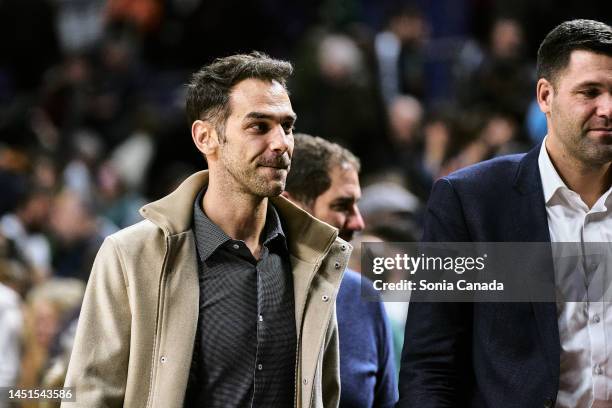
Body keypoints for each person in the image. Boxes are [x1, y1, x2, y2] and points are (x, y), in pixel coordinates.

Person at [63, 52, 352, 408]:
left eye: (287, 127)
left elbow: (325, 392)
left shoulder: (316, 256)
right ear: (206, 138)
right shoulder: (131, 255)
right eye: (259, 126)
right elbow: (90, 396)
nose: (281, 143)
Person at [398, 19, 612, 407]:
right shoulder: (469, 201)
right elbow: (430, 366)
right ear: (545, 97)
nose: (608, 109)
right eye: (590, 92)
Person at [283, 134, 398, 407]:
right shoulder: (239, 289)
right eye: (342, 206)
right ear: (290, 207)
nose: (358, 222)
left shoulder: (362, 297)